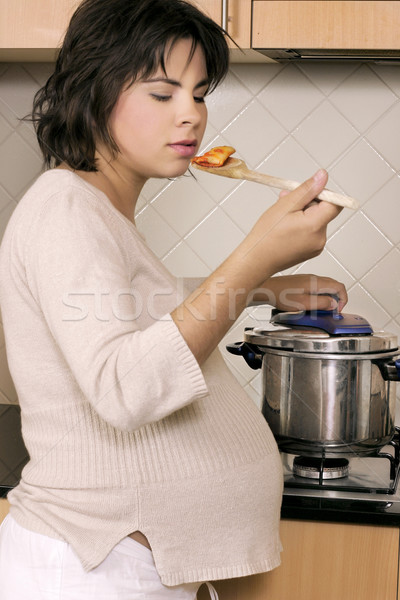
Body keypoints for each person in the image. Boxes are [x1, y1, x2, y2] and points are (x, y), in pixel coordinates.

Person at [0, 0, 347, 598]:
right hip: (93, 572)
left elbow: (116, 304)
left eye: (200, 92)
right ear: (93, 93)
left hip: (128, 570)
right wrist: (253, 260)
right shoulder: (65, 207)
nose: (191, 116)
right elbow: (124, 386)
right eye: (163, 94)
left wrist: (263, 288)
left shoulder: (97, 210)